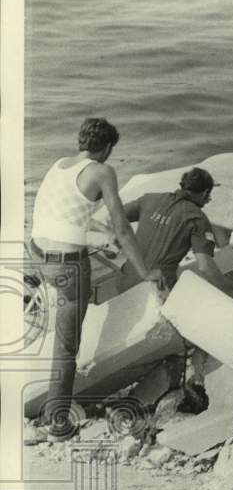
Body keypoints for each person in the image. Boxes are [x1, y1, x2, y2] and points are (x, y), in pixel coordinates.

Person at [26, 117, 162, 441]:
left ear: (81, 142)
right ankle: (57, 423)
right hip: (67, 267)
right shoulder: (102, 171)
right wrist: (145, 272)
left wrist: (94, 234)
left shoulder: (60, 165)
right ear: (108, 147)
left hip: (37, 253)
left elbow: (64, 211)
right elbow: (123, 228)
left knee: (72, 305)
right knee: (66, 346)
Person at [117, 167, 233, 299]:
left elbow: (114, 216)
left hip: (124, 281)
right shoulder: (197, 218)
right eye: (208, 195)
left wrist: (118, 240)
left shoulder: (149, 199)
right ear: (205, 193)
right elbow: (205, 266)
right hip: (157, 290)